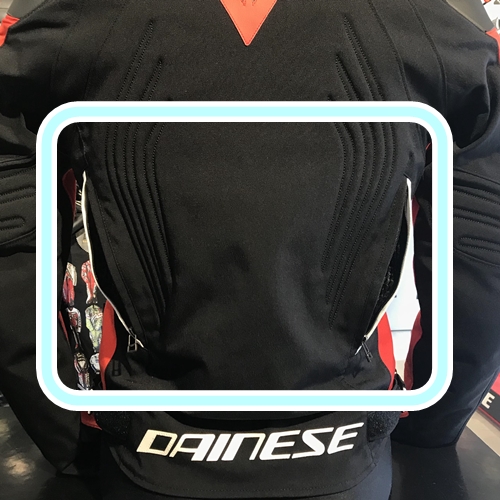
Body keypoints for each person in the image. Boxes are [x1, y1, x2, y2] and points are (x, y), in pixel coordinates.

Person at [0, 0, 499, 499]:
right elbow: (484, 249)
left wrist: (62, 431)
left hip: (149, 449)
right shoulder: (427, 26)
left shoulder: (79, 23)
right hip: (340, 449)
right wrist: (431, 427)